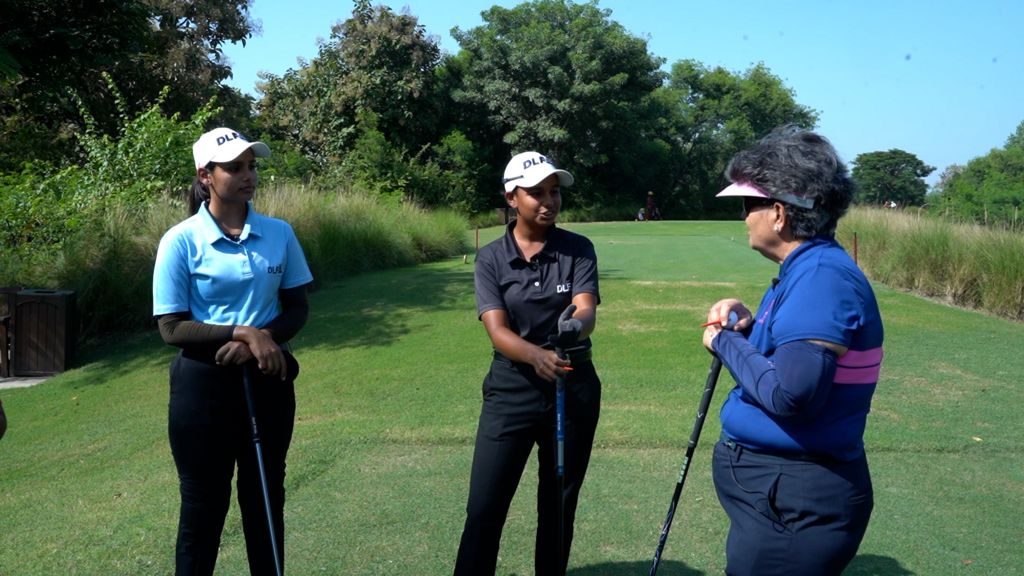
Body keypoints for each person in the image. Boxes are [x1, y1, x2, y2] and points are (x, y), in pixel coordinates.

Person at [701, 126, 884, 576]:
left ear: (779, 213)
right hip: (779, 497)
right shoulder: (805, 269)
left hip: (796, 497)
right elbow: (784, 356)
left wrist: (722, 341)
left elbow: (792, 394)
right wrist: (746, 329)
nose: (744, 217)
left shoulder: (822, 276)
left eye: (748, 204)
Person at [153, 127, 313, 575]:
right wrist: (245, 333)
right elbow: (171, 327)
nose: (248, 176)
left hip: (268, 378)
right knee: (203, 509)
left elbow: (298, 308)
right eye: (235, 167)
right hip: (202, 388)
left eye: (252, 166)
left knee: (265, 498)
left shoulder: (279, 233)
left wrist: (259, 341)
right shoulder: (181, 240)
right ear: (205, 175)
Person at [454, 152, 602, 576]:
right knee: (485, 507)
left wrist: (573, 329)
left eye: (554, 192)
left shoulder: (577, 248)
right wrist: (536, 355)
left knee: (558, 508)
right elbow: (497, 330)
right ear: (511, 197)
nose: (548, 202)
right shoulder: (492, 259)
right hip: (511, 388)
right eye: (535, 192)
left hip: (571, 386)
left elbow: (585, 307)